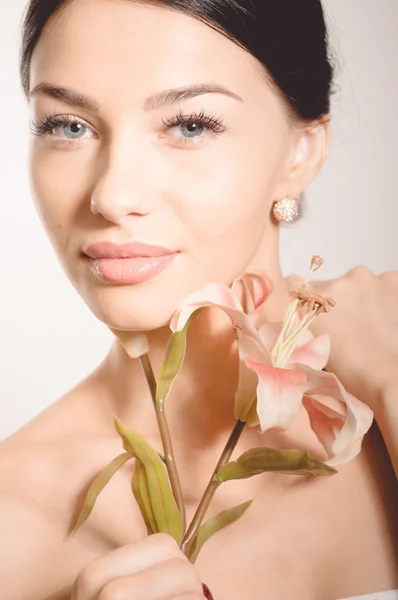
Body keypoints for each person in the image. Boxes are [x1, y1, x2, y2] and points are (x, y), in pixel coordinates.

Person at [1, 0, 397, 598]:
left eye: (189, 124)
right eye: (68, 125)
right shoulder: (13, 527)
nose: (112, 194)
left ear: (303, 152)